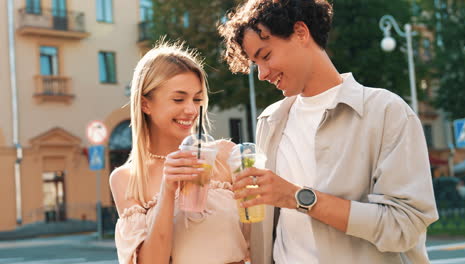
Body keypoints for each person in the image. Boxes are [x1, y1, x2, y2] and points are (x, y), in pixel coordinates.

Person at [218, 0, 439, 263]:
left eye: (265, 56)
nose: (262, 74)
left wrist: (297, 197)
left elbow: (406, 227)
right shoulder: (270, 121)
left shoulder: (386, 112)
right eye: (256, 64)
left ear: (301, 32)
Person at [109, 41, 249, 264]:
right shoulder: (127, 179)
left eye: (197, 99)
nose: (191, 110)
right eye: (178, 99)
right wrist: (167, 190)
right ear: (145, 104)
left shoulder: (225, 155)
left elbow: (260, 239)